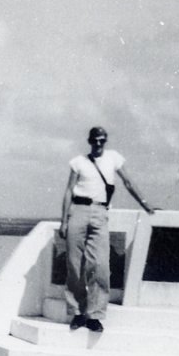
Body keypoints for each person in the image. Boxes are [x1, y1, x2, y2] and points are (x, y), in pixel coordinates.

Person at [58, 126, 155, 332]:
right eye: (95, 140)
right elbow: (68, 191)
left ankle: (95, 315)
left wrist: (145, 204)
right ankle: (78, 312)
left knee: (100, 265)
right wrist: (64, 221)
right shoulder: (78, 162)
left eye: (102, 140)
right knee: (75, 265)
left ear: (106, 141)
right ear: (89, 141)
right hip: (78, 210)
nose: (98, 144)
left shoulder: (113, 158)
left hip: (100, 212)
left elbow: (128, 182)